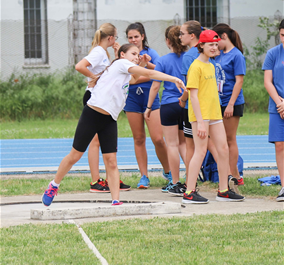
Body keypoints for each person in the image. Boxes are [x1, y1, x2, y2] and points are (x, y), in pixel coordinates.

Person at [42, 43, 185, 207]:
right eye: (133, 53)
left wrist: (142, 62)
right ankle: (54, 185)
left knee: (111, 161)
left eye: (138, 54)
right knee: (75, 155)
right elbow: (148, 73)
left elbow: (134, 79)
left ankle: (116, 200)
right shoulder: (120, 64)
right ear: (122, 55)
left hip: (109, 119)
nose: (136, 57)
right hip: (92, 114)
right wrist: (173, 78)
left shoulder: (124, 72)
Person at [182, 30, 245, 204]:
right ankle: (189, 192)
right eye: (210, 44)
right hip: (200, 117)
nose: (214, 47)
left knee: (223, 149)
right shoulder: (195, 66)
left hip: (215, 113)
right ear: (201, 46)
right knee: (200, 151)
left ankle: (223, 190)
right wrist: (200, 122)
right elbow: (193, 96)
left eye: (216, 44)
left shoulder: (211, 65)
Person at [75, 23, 130, 193]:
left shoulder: (103, 52)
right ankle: (95, 180)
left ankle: (110, 178)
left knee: (102, 142)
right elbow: (80, 66)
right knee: (95, 141)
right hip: (94, 97)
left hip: (101, 98)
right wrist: (94, 77)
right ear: (111, 38)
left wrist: (116, 56)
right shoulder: (98, 51)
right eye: (117, 37)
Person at [124, 22, 171, 188]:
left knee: (158, 138)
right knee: (138, 138)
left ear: (142, 37)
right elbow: (124, 79)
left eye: (136, 36)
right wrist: (142, 75)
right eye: (130, 37)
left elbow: (157, 74)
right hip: (132, 100)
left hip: (150, 98)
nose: (134, 39)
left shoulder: (151, 53)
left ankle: (168, 171)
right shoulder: (126, 55)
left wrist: (138, 75)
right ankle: (144, 176)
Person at [144, 26, 187, 195]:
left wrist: (148, 107)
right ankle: (191, 182)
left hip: (169, 105)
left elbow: (155, 86)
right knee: (184, 144)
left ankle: (175, 182)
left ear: (167, 41)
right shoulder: (191, 58)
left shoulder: (162, 61)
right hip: (186, 104)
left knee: (172, 144)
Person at [179, 21, 218, 187]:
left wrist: (182, 100)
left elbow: (191, 91)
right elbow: (193, 88)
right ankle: (192, 188)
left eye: (182, 33)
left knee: (194, 148)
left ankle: (191, 185)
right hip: (203, 111)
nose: (180, 36)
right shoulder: (200, 60)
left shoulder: (193, 57)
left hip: (201, 111)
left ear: (193, 36)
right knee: (206, 148)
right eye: (212, 44)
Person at [212, 23, 246, 186]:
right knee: (220, 139)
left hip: (231, 102)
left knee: (229, 139)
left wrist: (231, 104)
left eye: (216, 40)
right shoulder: (218, 54)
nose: (214, 45)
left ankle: (235, 174)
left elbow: (239, 81)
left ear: (224, 36)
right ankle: (231, 173)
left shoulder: (236, 55)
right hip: (218, 102)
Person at [262, 19, 284, 202]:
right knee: (280, 145)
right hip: (277, 107)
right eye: (282, 35)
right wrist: (279, 103)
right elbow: (268, 81)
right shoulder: (273, 53)